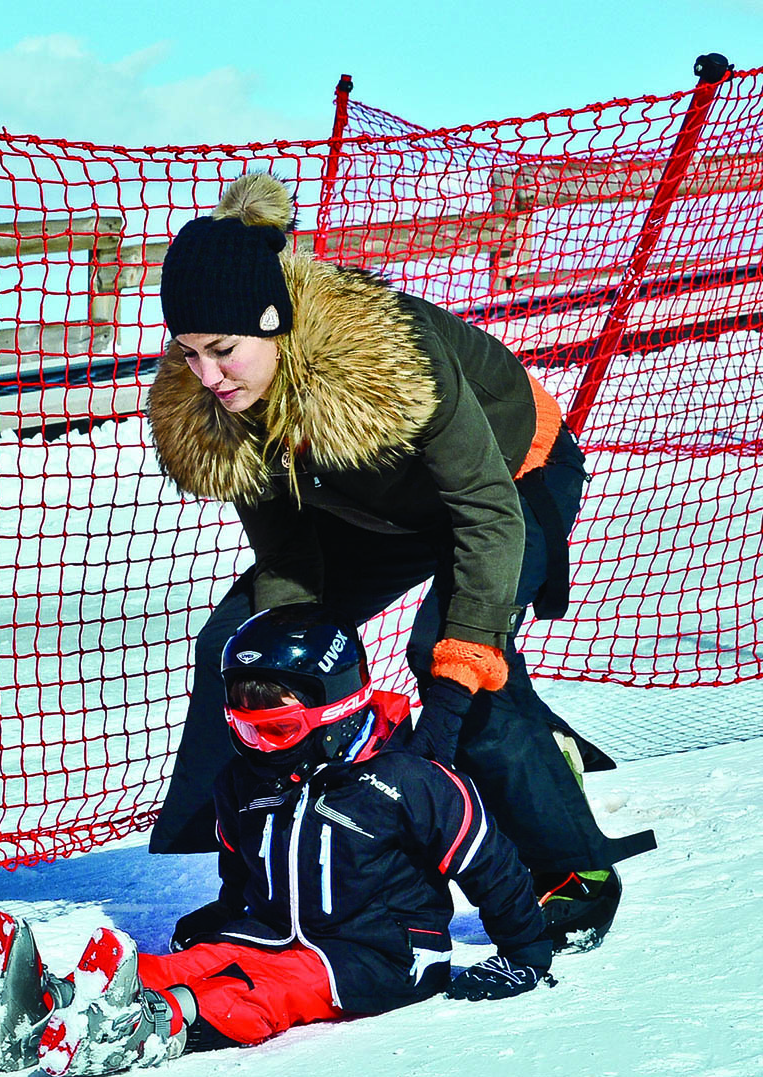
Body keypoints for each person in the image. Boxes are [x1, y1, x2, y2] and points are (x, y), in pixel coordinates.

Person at [144, 171, 655, 947]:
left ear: (276, 324)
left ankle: (573, 873)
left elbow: (483, 510)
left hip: (512, 476)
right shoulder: (216, 405)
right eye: (188, 353)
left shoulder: (392, 356)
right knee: (245, 646)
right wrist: (288, 660)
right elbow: (287, 552)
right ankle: (257, 877)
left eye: (222, 350)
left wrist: (447, 702)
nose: (207, 376)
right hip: (380, 511)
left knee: (453, 656)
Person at [0, 606, 556, 1077]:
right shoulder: (246, 780)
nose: (259, 746)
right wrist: (224, 913)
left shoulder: (407, 780)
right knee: (195, 960)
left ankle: (158, 1023)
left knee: (264, 990)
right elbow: (241, 863)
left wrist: (526, 955)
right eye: (244, 729)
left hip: (381, 958)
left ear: (339, 710)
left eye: (278, 730)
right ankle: (48, 1001)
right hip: (275, 931)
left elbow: (492, 865)